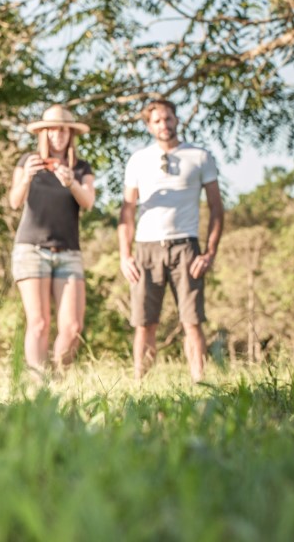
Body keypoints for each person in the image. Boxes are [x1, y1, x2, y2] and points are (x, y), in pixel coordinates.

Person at [117, 99, 224, 382]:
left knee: (192, 322)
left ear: (176, 119)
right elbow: (127, 209)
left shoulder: (200, 157)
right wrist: (124, 255)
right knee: (144, 323)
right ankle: (140, 384)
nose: (164, 125)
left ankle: (199, 382)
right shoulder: (138, 159)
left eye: (168, 118)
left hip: (186, 247)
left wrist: (209, 252)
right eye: (157, 121)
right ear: (149, 126)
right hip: (146, 248)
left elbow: (216, 207)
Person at [8, 104, 96, 379]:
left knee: (72, 327)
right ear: (43, 133)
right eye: (52, 130)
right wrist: (27, 176)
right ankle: (38, 382)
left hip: (68, 251)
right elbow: (14, 202)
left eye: (63, 130)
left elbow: (88, 203)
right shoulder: (28, 161)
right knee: (39, 322)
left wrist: (71, 182)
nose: (58, 135)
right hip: (31, 249)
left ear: (71, 134)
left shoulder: (81, 168)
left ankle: (57, 378)